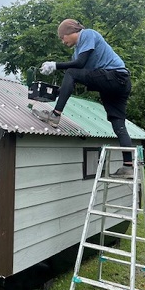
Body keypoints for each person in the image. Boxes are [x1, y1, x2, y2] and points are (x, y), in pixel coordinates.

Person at [32, 18, 134, 179]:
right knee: (118, 124)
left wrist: (56, 65)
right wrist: (55, 92)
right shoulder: (78, 51)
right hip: (116, 84)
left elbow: (78, 65)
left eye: (62, 37)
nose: (62, 41)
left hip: (115, 76)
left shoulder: (88, 34)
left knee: (71, 71)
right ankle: (129, 167)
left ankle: (55, 115)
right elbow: (79, 78)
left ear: (71, 32)